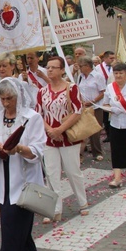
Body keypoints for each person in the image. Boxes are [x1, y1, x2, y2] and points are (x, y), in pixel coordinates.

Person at [0, 78, 46, 251]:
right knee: (11, 214)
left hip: (24, 174)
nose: (6, 103)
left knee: (15, 217)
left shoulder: (31, 118)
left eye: (9, 98)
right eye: (2, 99)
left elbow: (38, 150)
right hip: (4, 173)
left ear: (18, 96)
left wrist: (18, 148)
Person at [36, 56, 89, 223]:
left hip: (68, 137)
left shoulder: (71, 88)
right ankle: (55, 208)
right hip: (50, 138)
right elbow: (38, 114)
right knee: (52, 174)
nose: (50, 70)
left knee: (73, 171)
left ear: (61, 70)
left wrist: (60, 129)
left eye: (53, 67)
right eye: (48, 67)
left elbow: (78, 111)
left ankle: (83, 202)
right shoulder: (42, 91)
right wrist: (51, 130)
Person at [76, 56, 106, 161]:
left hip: (95, 107)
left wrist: (92, 101)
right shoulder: (80, 76)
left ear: (87, 66)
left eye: (81, 66)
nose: (79, 68)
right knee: (83, 129)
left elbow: (103, 92)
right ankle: (80, 153)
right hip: (83, 107)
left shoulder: (98, 76)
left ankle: (97, 152)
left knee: (95, 130)